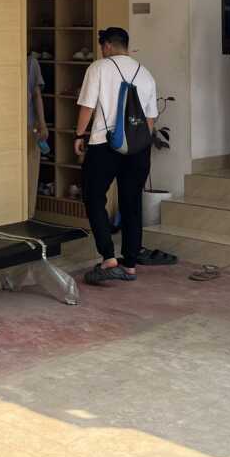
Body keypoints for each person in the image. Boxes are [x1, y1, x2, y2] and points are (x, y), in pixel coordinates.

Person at [73, 27, 157, 285]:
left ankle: (108, 258)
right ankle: (129, 265)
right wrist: (139, 146)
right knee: (132, 203)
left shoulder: (98, 68)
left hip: (104, 144)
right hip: (138, 148)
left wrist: (79, 135)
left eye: (102, 46)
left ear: (108, 45)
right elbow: (150, 119)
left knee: (94, 196)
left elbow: (87, 106)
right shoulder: (146, 73)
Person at [26, 53, 48, 214]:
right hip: (19, 124)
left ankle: (27, 213)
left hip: (28, 124)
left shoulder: (31, 62)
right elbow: (36, 95)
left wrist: (42, 123)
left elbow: (36, 95)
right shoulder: (30, 62)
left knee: (29, 174)